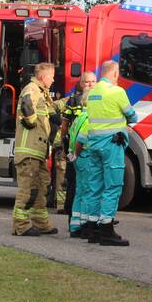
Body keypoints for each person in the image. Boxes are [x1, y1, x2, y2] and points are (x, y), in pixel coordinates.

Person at [77, 60, 137, 246]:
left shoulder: (93, 92)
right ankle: (106, 230)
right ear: (115, 73)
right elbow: (132, 115)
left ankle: (93, 229)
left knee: (95, 186)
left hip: (94, 145)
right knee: (113, 187)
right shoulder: (117, 92)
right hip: (112, 145)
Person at [11, 62, 58, 236]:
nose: (53, 80)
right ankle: (21, 226)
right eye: (51, 77)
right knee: (27, 189)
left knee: (41, 187)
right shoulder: (31, 89)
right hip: (29, 150)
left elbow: (50, 110)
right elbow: (26, 106)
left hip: (38, 151)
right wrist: (30, 121)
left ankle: (41, 223)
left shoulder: (41, 93)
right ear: (43, 77)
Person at [62, 71, 97, 230]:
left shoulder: (94, 100)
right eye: (87, 82)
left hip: (77, 150)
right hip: (78, 150)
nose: (90, 85)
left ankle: (79, 222)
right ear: (81, 83)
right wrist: (66, 147)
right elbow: (65, 125)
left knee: (81, 188)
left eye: (93, 82)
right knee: (77, 186)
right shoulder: (74, 101)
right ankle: (78, 220)